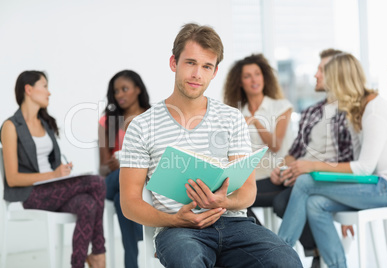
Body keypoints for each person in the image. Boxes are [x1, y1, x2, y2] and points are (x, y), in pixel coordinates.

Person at [119, 23, 302, 267]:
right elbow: (129, 203)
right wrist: (174, 220)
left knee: (286, 260)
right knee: (189, 261)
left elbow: (248, 191)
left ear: (215, 72)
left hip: (235, 224)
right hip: (179, 230)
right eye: (191, 63)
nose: (198, 74)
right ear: (174, 63)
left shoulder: (231, 118)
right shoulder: (142, 126)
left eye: (207, 66)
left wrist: (224, 202)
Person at [277, 53, 387, 268]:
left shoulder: (374, 113)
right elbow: (357, 163)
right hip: (374, 185)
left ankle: (276, 257)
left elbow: (364, 168)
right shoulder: (356, 111)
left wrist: (312, 166)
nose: (329, 91)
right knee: (316, 204)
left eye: (331, 83)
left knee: (305, 182)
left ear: (341, 83)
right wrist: (346, 197)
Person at [1, 71, 106, 268]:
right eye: (44, 86)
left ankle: (77, 264)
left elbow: (50, 165)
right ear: (29, 89)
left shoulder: (45, 124)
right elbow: (13, 178)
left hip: (52, 190)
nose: (49, 93)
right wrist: (54, 174)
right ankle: (99, 254)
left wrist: (61, 171)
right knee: (96, 182)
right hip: (29, 195)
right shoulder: (11, 126)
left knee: (88, 204)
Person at [269, 48, 354, 267]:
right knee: (244, 191)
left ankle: (285, 256)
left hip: (323, 179)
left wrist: (351, 204)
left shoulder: (350, 112)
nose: (316, 75)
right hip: (299, 176)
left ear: (338, 73)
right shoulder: (311, 112)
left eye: (321, 70)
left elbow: (353, 162)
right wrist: (281, 169)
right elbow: (294, 152)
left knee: (283, 201)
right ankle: (257, 251)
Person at [223, 53, 293, 226]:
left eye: (257, 74)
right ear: (240, 82)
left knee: (231, 200)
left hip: (275, 177)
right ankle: (263, 240)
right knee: (223, 198)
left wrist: (255, 121)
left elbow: (275, 145)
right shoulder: (236, 113)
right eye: (247, 76)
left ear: (264, 77)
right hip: (250, 178)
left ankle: (263, 243)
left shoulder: (281, 106)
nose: (254, 80)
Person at [98, 70, 150, 268]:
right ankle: (144, 232)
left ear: (137, 89)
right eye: (116, 91)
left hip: (139, 185)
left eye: (124, 89)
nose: (120, 94)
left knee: (123, 199)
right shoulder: (107, 122)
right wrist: (124, 164)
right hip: (113, 180)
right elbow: (102, 168)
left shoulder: (152, 117)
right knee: (123, 177)